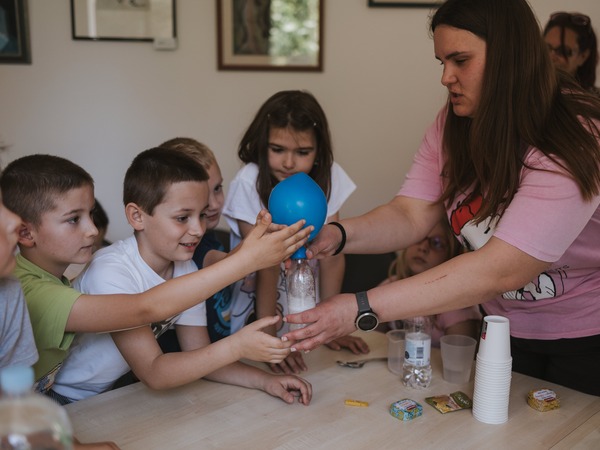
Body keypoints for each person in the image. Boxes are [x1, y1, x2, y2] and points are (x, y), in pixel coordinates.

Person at [284, 0, 600, 396]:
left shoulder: (573, 137)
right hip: (502, 330)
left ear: (509, 58)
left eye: (460, 60)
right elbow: (410, 213)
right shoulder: (452, 124)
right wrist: (335, 235)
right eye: (441, 62)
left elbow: (501, 269)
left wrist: (361, 307)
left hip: (587, 337)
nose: (446, 77)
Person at [0, 153, 311, 397]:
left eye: (201, 215)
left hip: (109, 395)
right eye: (73, 220)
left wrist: (265, 382)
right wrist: (245, 262)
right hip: (64, 401)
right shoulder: (56, 283)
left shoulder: (183, 266)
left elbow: (199, 356)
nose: (93, 230)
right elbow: (144, 311)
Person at [222, 90, 369, 374]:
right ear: (262, 145)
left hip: (304, 303)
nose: (289, 163)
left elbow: (332, 256)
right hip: (258, 314)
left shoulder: (330, 175)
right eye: (278, 150)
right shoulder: (248, 181)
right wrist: (269, 338)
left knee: (320, 372)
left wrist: (332, 323)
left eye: (302, 152)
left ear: (319, 150)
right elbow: (262, 262)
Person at [0, 194, 120, 449]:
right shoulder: (31, 288)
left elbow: (16, 401)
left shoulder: (8, 292)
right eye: (74, 219)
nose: (12, 219)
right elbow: (145, 309)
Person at [160, 137, 232, 342]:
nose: (215, 204)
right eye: (201, 195)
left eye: (217, 188)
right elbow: (228, 264)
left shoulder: (211, 234)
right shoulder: (187, 247)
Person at [376, 220, 481, 347]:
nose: (423, 247)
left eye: (436, 243)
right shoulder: (390, 285)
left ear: (452, 256)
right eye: (418, 238)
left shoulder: (456, 304)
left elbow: (459, 359)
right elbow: (373, 337)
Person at [543, 12, 599, 95]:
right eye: (546, 48)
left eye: (563, 51)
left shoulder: (593, 102)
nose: (551, 56)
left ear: (583, 56)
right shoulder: (525, 89)